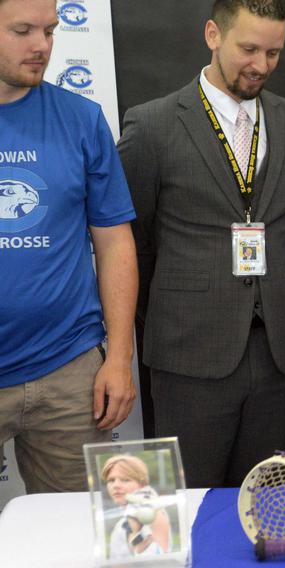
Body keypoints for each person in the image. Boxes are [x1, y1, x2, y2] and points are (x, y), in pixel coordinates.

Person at [118, 0, 285, 487]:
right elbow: (132, 244)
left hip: (279, 355)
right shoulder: (152, 125)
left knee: (262, 506)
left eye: (273, 52)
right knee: (187, 505)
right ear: (213, 34)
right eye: (248, 48)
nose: (260, 65)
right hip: (187, 355)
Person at [0, 0, 138, 493]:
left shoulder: (81, 118)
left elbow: (114, 241)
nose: (41, 45)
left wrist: (118, 357)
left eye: (50, 30)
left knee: (74, 536)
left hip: (68, 367)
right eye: (23, 31)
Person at [102, 454, 172, 557]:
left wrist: (135, 532)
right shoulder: (122, 524)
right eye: (111, 480)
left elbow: (157, 560)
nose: (116, 485)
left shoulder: (154, 514)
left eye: (125, 480)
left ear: (142, 484)